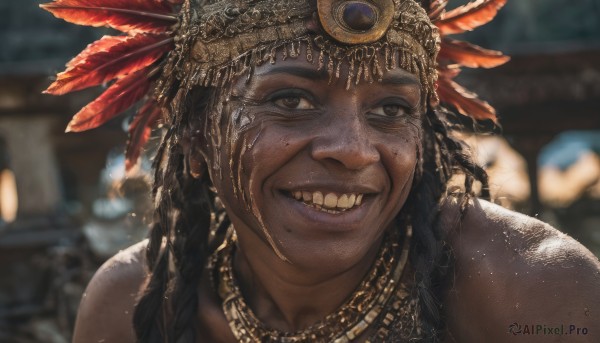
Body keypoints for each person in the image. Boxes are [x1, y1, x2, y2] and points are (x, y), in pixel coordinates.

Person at [40, 0, 600, 342]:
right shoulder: (133, 308)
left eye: (391, 110)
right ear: (196, 137)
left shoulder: (536, 291)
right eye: (290, 100)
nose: (353, 151)